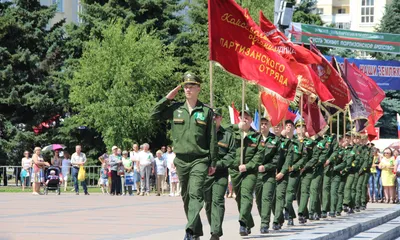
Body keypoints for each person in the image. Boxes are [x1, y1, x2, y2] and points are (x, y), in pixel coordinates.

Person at [151, 72, 217, 240]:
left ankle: (188, 230)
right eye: (186, 86)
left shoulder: (207, 111)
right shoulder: (175, 109)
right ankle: (195, 231)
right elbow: (154, 115)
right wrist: (167, 98)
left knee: (195, 194)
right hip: (181, 160)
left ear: (198, 88)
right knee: (186, 196)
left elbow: (211, 138)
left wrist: (213, 162)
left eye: (191, 86)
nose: (188, 89)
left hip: (199, 159)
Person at [229, 110, 264, 236]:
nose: (245, 119)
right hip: (235, 170)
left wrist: (248, 166)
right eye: (242, 117)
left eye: (247, 117)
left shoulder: (257, 136)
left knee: (246, 196)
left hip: (250, 171)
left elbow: (259, 156)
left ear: (251, 120)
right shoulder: (232, 132)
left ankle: (243, 223)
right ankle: (248, 222)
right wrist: (237, 126)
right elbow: (220, 129)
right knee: (239, 198)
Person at [204, 108, 236, 240]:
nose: (213, 119)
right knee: (208, 203)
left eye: (216, 117)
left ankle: (215, 232)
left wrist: (218, 165)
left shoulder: (227, 135)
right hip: (206, 173)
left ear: (220, 118)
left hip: (220, 173)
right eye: (211, 117)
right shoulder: (203, 134)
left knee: (217, 200)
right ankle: (214, 227)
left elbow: (232, 154)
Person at [255, 118, 280, 233]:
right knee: (259, 200)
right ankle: (264, 217)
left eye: (265, 124)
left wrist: (267, 167)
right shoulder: (254, 138)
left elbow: (276, 159)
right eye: (261, 124)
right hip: (256, 174)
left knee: (266, 198)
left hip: (269, 174)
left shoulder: (275, 140)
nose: (263, 126)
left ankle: (264, 223)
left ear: (269, 125)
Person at [284, 119, 308, 226]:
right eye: (298, 127)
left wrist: (297, 166)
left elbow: (306, 158)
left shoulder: (308, 142)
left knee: (302, 193)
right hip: (289, 172)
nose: (300, 129)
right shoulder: (289, 141)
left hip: (303, 171)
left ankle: (302, 213)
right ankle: (290, 215)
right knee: (287, 195)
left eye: (302, 126)